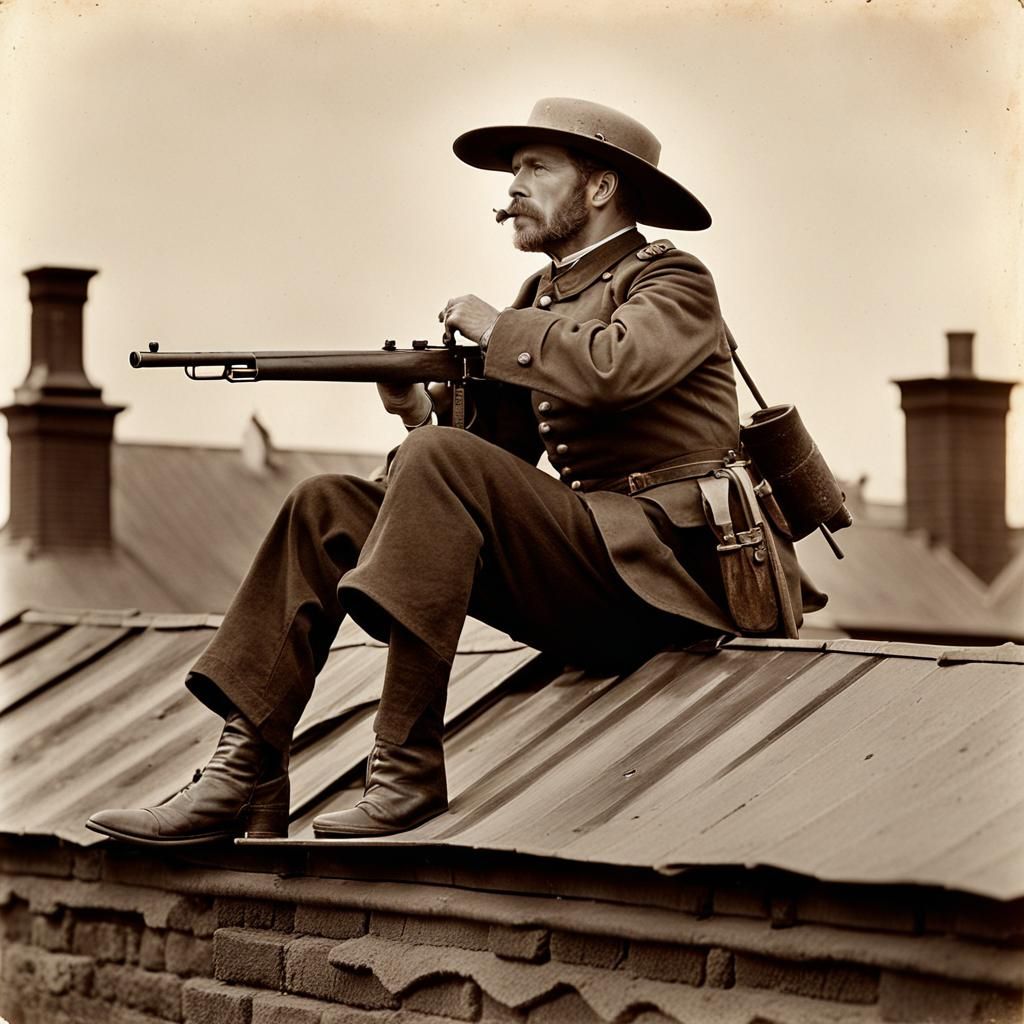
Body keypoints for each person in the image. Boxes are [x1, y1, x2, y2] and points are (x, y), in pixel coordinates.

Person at [86, 97, 806, 847]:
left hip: (669, 581)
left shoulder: (674, 281)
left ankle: (404, 770)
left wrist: (499, 333)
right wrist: (418, 415)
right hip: (593, 570)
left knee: (434, 464)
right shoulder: (543, 298)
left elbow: (614, 369)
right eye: (513, 169)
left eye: (536, 167)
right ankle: (244, 775)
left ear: (599, 189)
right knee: (322, 505)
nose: (513, 186)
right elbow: (484, 464)